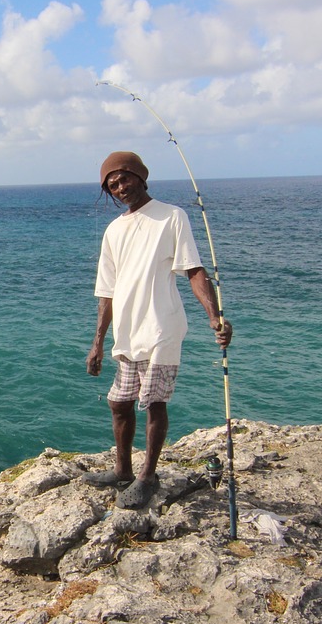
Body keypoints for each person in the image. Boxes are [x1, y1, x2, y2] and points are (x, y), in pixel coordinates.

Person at [84, 151, 233, 509]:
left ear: (140, 176)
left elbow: (194, 270)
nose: (120, 187)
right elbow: (107, 291)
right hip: (129, 331)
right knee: (118, 402)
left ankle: (147, 476)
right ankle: (122, 471)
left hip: (163, 327)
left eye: (124, 178)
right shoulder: (114, 230)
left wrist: (214, 316)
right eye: (112, 184)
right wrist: (98, 343)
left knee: (152, 401)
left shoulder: (171, 216)